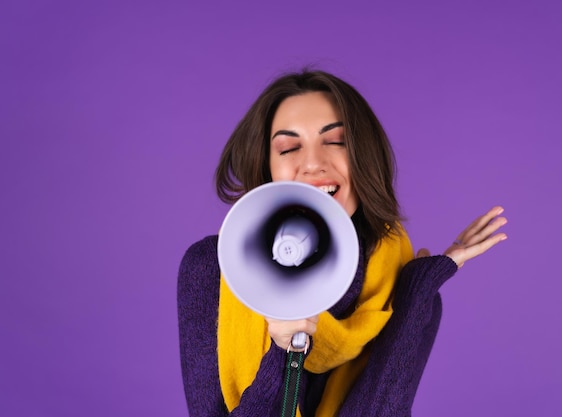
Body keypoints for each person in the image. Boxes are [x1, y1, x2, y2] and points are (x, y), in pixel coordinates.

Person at [177, 70, 507, 417]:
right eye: (289, 147)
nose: (314, 163)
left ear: (365, 157)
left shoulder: (408, 292)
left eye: (336, 142)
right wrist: (281, 355)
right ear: (267, 165)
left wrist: (415, 295)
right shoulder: (212, 269)